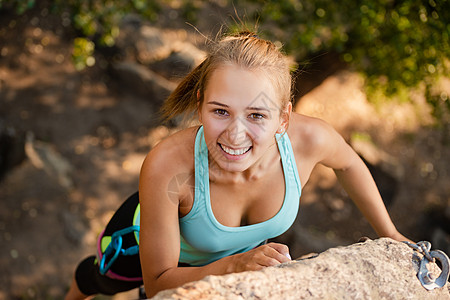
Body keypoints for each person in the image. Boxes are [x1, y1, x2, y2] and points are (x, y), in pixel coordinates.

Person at [65, 30, 411, 300]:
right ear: (200, 105)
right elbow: (159, 286)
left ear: (283, 118)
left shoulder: (310, 141)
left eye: (257, 115)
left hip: (227, 264)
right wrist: (234, 266)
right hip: (146, 245)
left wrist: (389, 233)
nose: (235, 134)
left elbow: (349, 164)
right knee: (101, 279)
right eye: (220, 111)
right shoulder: (168, 166)